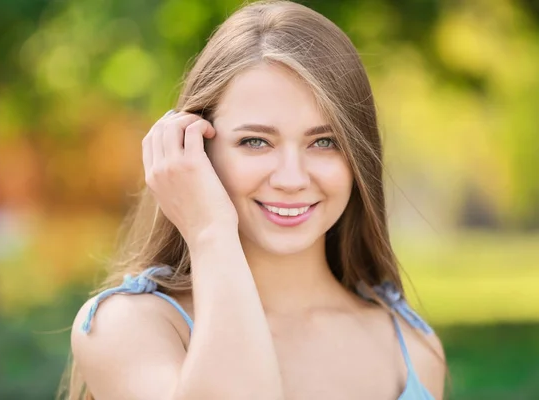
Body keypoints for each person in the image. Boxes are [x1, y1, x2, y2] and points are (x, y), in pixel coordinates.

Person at [61, 1, 446, 399]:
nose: (292, 179)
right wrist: (209, 232)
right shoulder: (130, 329)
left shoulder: (414, 349)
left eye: (324, 142)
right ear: (197, 149)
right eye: (256, 141)